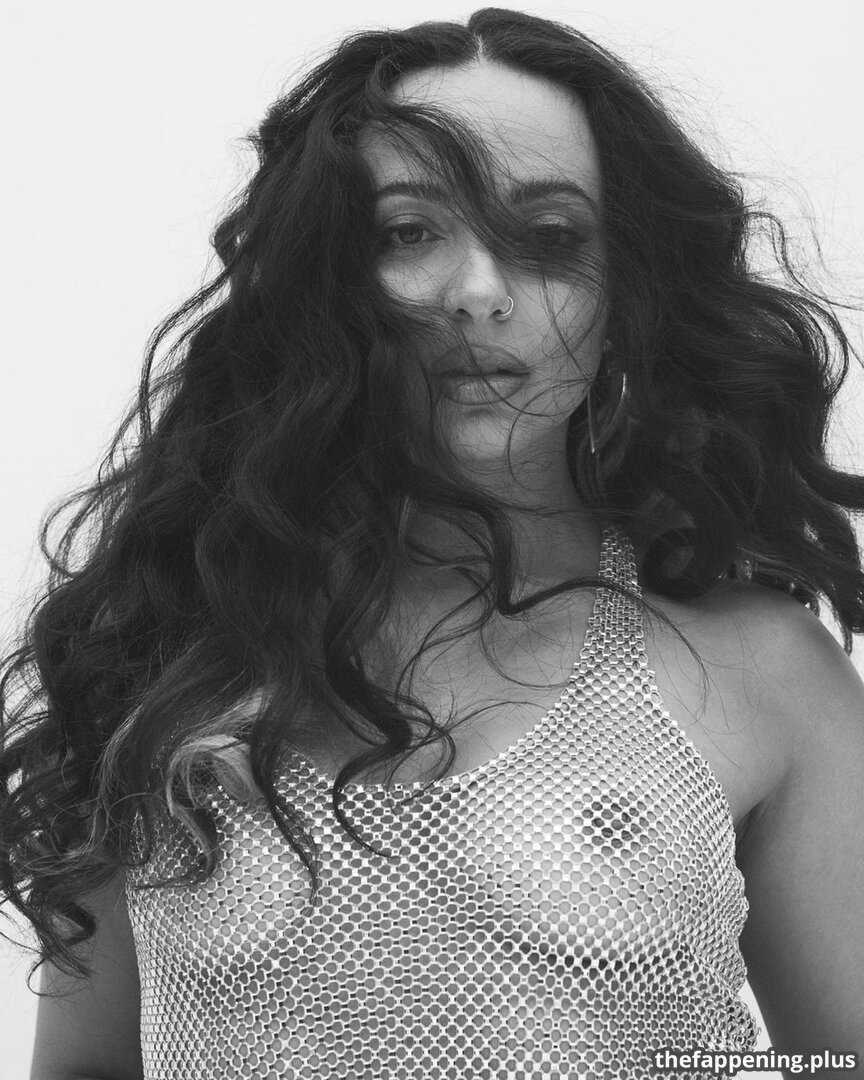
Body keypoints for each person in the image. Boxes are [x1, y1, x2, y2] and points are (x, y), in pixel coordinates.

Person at [2, 7, 863, 1079]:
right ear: (323, 276)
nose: (481, 294)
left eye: (550, 240)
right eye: (410, 233)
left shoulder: (766, 676)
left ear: (627, 290)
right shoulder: (154, 652)